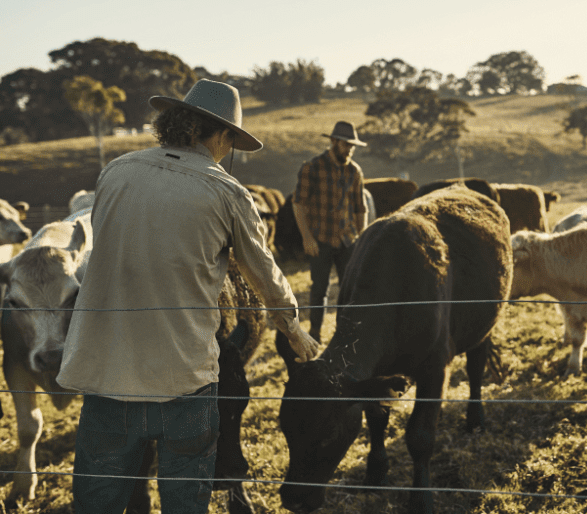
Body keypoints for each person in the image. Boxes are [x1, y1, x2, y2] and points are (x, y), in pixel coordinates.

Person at [56, 79, 318, 514]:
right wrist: (294, 329)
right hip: (184, 378)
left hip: (105, 372)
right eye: (230, 142)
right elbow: (264, 273)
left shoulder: (115, 172)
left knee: (97, 501)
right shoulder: (227, 192)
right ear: (221, 135)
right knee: (184, 502)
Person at [293, 121, 368, 342]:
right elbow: (298, 204)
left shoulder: (354, 170)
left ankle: (343, 334)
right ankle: (315, 333)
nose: (350, 150)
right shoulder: (312, 167)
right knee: (319, 289)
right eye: (346, 145)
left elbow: (360, 208)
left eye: (352, 146)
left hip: (347, 240)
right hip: (320, 239)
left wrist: (361, 241)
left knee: (348, 289)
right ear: (334, 141)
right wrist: (307, 238)